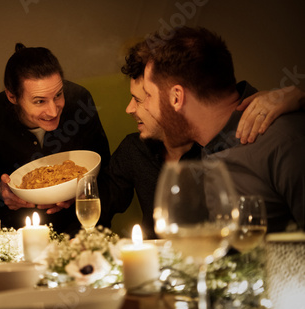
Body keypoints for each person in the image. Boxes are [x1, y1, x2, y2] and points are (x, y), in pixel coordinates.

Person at [122, 26, 305, 232]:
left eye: (148, 95)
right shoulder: (207, 146)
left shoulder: (285, 142)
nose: (143, 107)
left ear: (176, 97)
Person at [0, 43, 110, 235]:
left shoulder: (80, 101)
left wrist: (83, 192)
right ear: (12, 96)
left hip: (81, 228)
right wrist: (0, 191)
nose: (53, 110)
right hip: (17, 235)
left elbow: (106, 167)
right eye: (39, 101)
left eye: (58, 95)